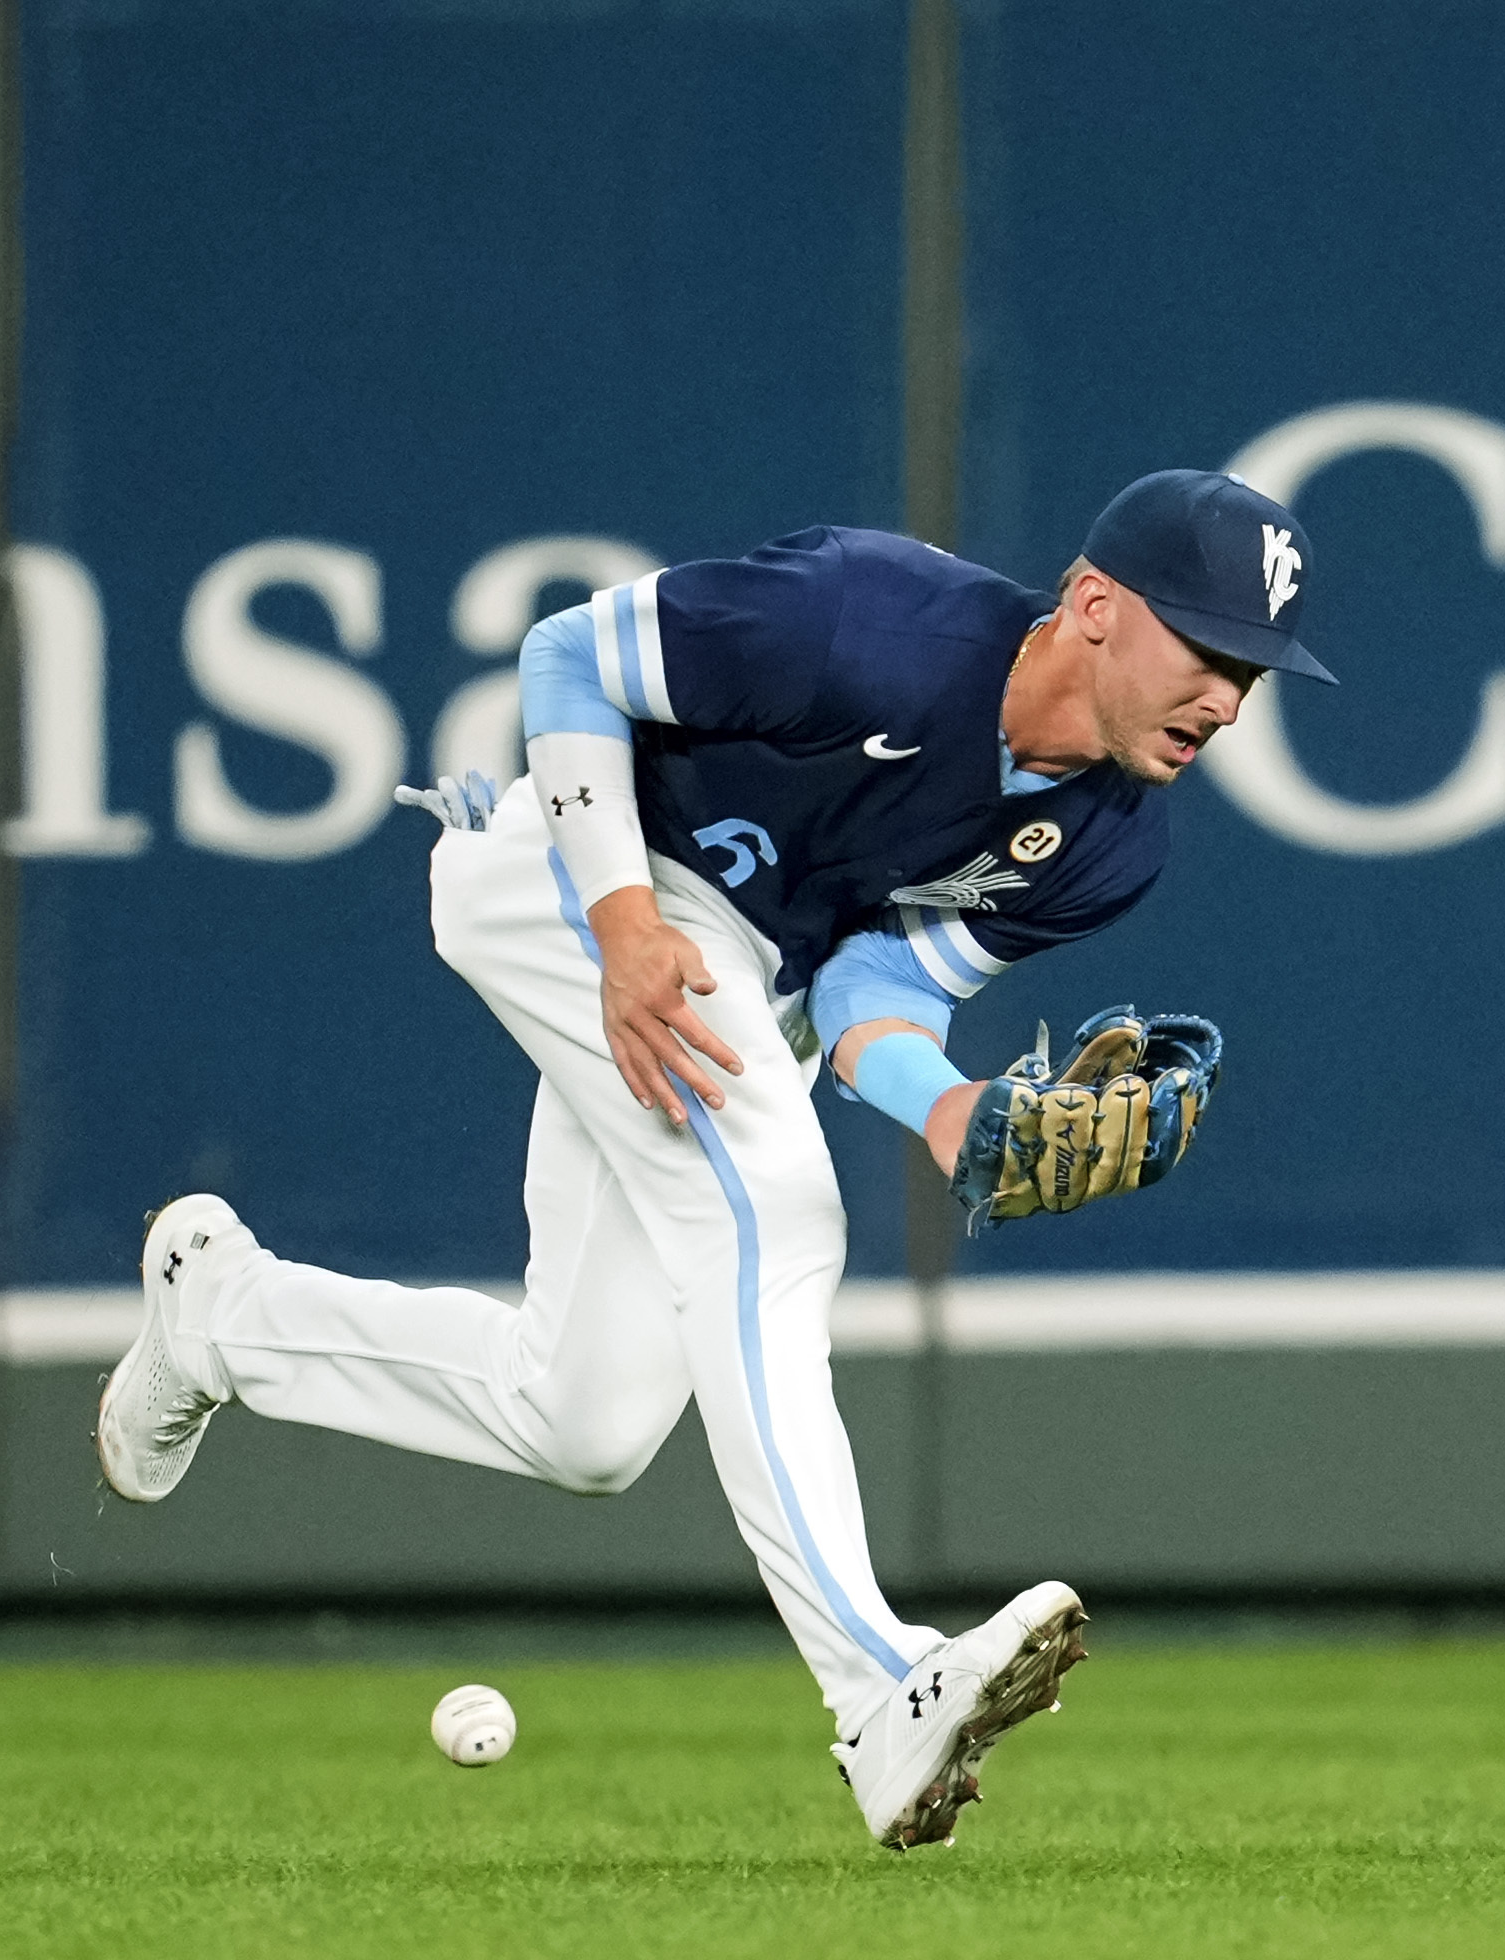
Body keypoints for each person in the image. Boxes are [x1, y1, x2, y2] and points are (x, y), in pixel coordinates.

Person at [98, 471, 1336, 1849]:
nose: (1228, 699)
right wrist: (623, 921)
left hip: (747, 977)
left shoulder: (1109, 844)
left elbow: (877, 988)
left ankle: (218, 1314)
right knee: (779, 1218)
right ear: (1096, 608)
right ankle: (876, 1687)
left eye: (1255, 670)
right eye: (1210, 652)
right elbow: (568, 655)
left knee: (585, 1418)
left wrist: (954, 1114)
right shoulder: (871, 616)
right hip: (586, 873)